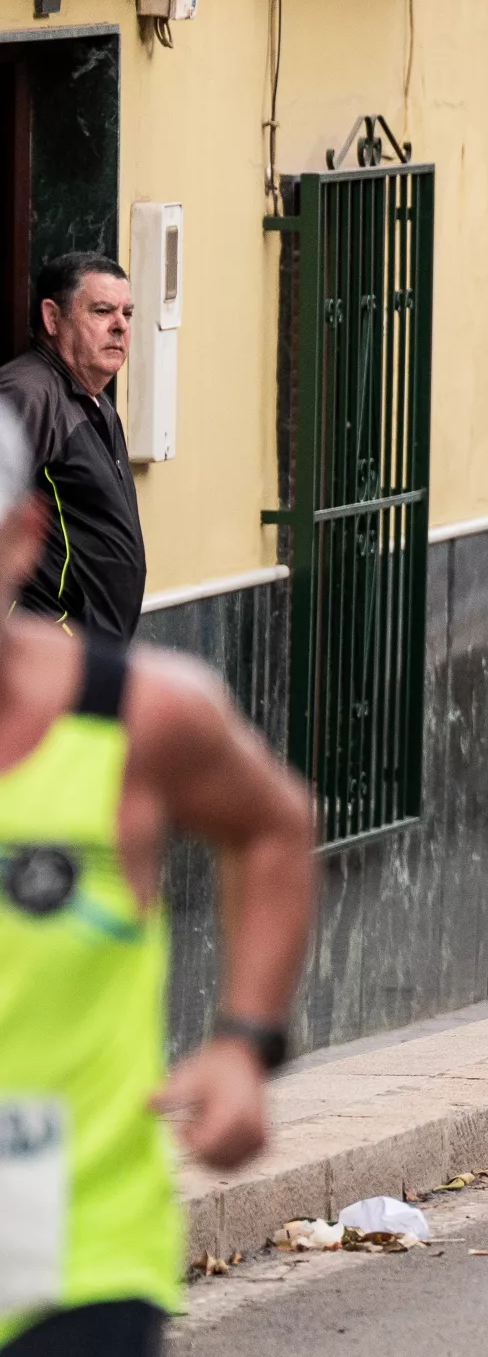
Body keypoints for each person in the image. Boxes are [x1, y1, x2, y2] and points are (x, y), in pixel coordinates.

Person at [0, 421, 318, 1357]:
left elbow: (273, 829)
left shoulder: (139, 716)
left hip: (73, 1256)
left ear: (20, 538)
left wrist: (244, 1044)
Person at [0, 254, 144, 639]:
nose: (120, 326)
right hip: (50, 647)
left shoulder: (94, 397)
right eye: (102, 311)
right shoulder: (28, 392)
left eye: (127, 314)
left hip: (90, 651)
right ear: (52, 318)